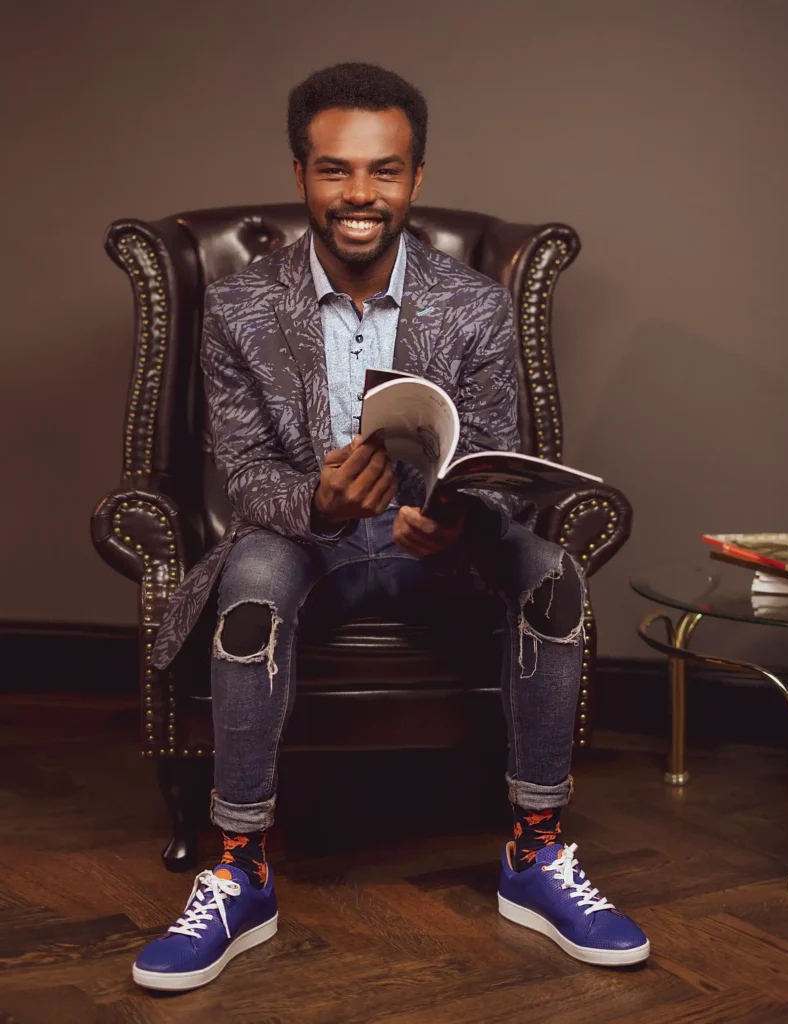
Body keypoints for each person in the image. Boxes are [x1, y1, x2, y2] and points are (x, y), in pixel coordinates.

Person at [132, 62, 649, 992]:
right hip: (306, 541)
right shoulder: (240, 305)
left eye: (384, 170)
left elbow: (491, 454)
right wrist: (317, 503)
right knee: (249, 586)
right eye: (335, 169)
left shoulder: (475, 303)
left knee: (551, 574)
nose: (359, 194)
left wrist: (459, 517)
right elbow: (243, 471)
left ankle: (534, 853)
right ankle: (240, 870)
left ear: (415, 176)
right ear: (301, 175)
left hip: (432, 546)